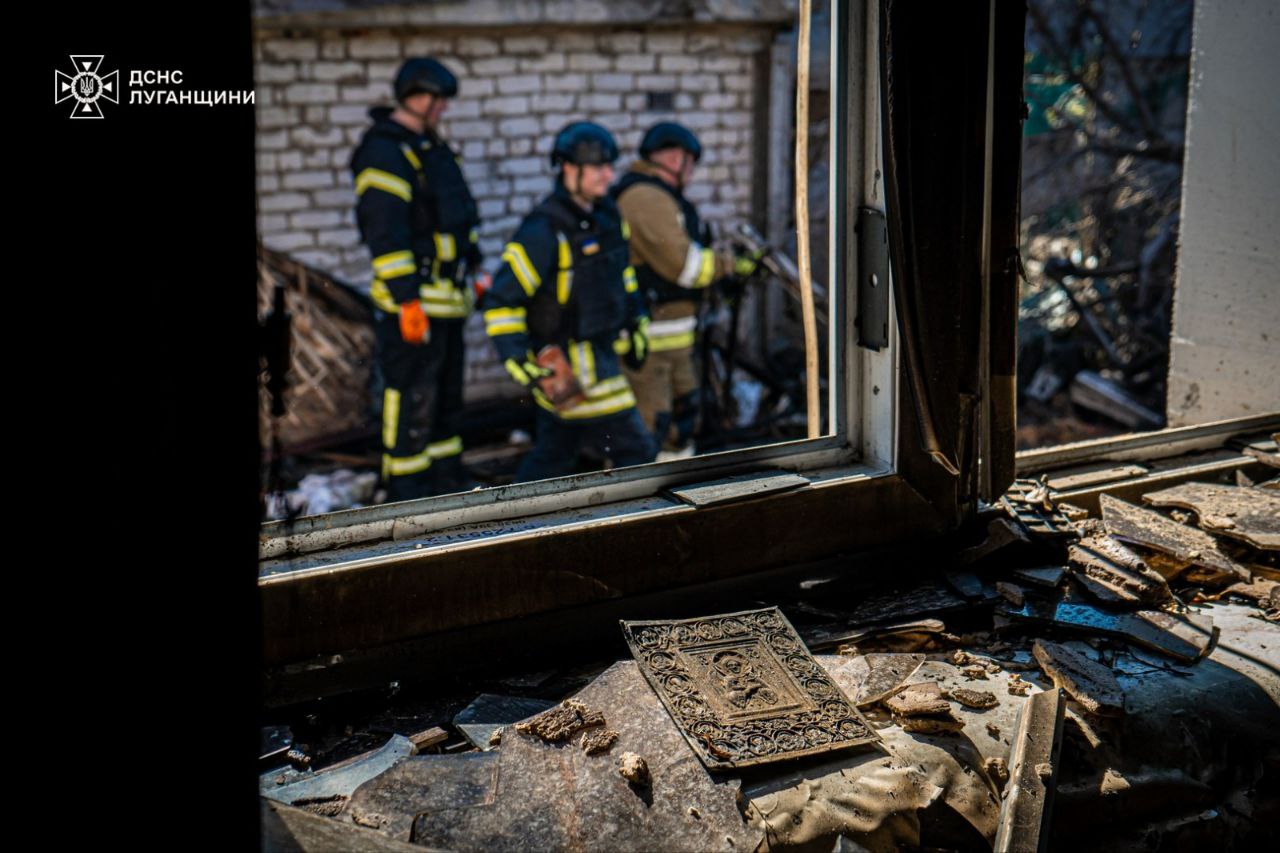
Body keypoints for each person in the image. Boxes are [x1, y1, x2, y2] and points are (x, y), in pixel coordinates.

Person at [479, 122, 656, 482]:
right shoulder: (543, 232)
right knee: (635, 451)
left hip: (603, 356)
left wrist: (636, 320)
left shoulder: (608, 218)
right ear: (569, 170)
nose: (609, 175)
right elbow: (501, 301)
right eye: (599, 167)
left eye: (610, 165)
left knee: (555, 455)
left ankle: (522, 518)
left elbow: (624, 278)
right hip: (568, 368)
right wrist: (516, 358)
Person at [350, 57, 484, 500]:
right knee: (409, 397)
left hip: (448, 299)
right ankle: (405, 488)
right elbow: (385, 233)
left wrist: (474, 270)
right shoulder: (385, 150)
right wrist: (407, 300)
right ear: (419, 97)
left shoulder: (429, 146)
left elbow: (458, 215)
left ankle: (446, 479)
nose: (443, 109)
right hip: (414, 304)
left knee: (446, 397)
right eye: (439, 101)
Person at [610, 122, 762, 459]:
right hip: (648, 341)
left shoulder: (662, 197)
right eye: (690, 165)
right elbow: (685, 267)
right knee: (650, 430)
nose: (691, 174)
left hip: (673, 338)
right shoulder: (645, 198)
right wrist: (730, 264)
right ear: (677, 159)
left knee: (680, 426)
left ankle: (676, 497)